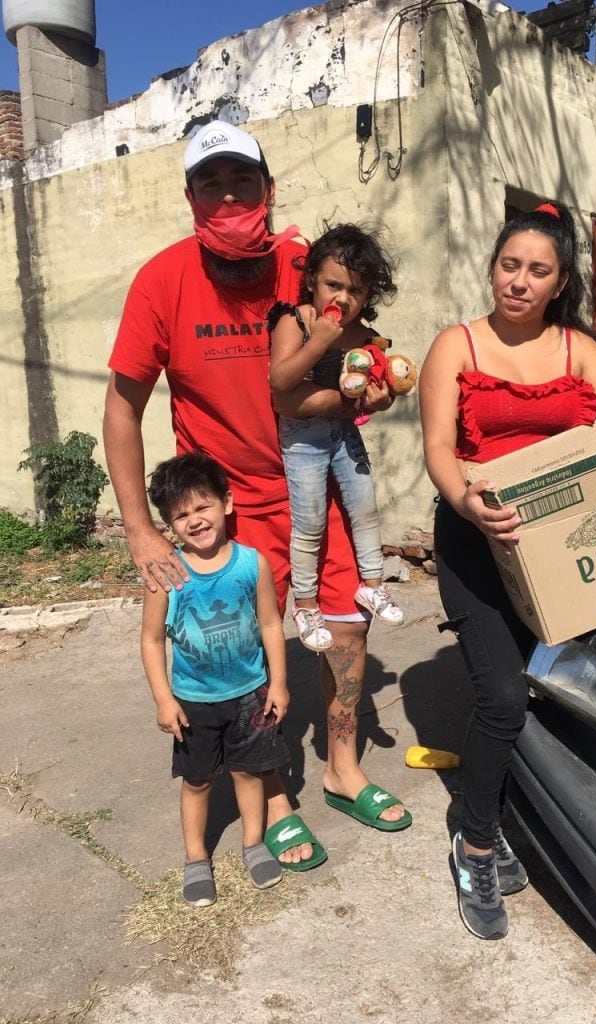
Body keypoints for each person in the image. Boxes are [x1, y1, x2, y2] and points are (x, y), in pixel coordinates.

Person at [103, 120, 411, 872]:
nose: (229, 195)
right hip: (223, 515)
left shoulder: (307, 265)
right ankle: (271, 795)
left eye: (244, 180)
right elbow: (121, 406)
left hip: (318, 485)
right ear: (191, 197)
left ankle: (342, 768)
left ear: (268, 191)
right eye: (212, 183)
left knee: (346, 630)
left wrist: (375, 387)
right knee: (239, 655)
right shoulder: (162, 280)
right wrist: (141, 529)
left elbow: (359, 338)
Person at [419, 200, 596, 940]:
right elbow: (440, 451)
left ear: (558, 283)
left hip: (560, 545)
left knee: (575, 687)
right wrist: (468, 501)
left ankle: (532, 807)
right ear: (493, 268)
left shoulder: (580, 351)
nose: (518, 281)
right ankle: (475, 840)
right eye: (508, 265)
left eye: (536, 271)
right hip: (475, 538)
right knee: (505, 696)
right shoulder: (458, 345)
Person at [141, 452, 290, 904]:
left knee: (249, 773)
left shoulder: (251, 564)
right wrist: (164, 700)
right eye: (180, 516)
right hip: (193, 703)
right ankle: (194, 858)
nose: (194, 520)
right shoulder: (165, 576)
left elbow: (269, 624)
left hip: (250, 695)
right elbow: (151, 641)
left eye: (202, 507)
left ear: (226, 503)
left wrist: (279, 683)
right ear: (170, 525)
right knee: (198, 780)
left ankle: (253, 843)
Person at [269, 223, 406, 654]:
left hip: (344, 433)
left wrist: (385, 394)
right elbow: (280, 383)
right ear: (311, 279)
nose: (342, 299)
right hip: (303, 440)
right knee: (309, 523)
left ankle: (372, 583)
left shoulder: (362, 335)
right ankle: (306, 604)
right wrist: (319, 343)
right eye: (333, 285)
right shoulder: (296, 321)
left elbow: (375, 386)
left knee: (364, 508)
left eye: (356, 291)